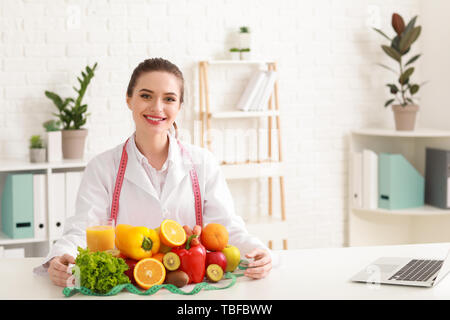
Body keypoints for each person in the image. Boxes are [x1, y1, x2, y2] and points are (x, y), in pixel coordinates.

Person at [34, 58, 273, 287]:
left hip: (189, 290)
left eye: (169, 99)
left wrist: (258, 252)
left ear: (179, 106)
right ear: (129, 100)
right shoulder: (102, 167)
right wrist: (60, 258)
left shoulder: (203, 163)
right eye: (146, 95)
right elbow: (84, 229)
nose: (157, 107)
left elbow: (226, 229)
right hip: (127, 288)